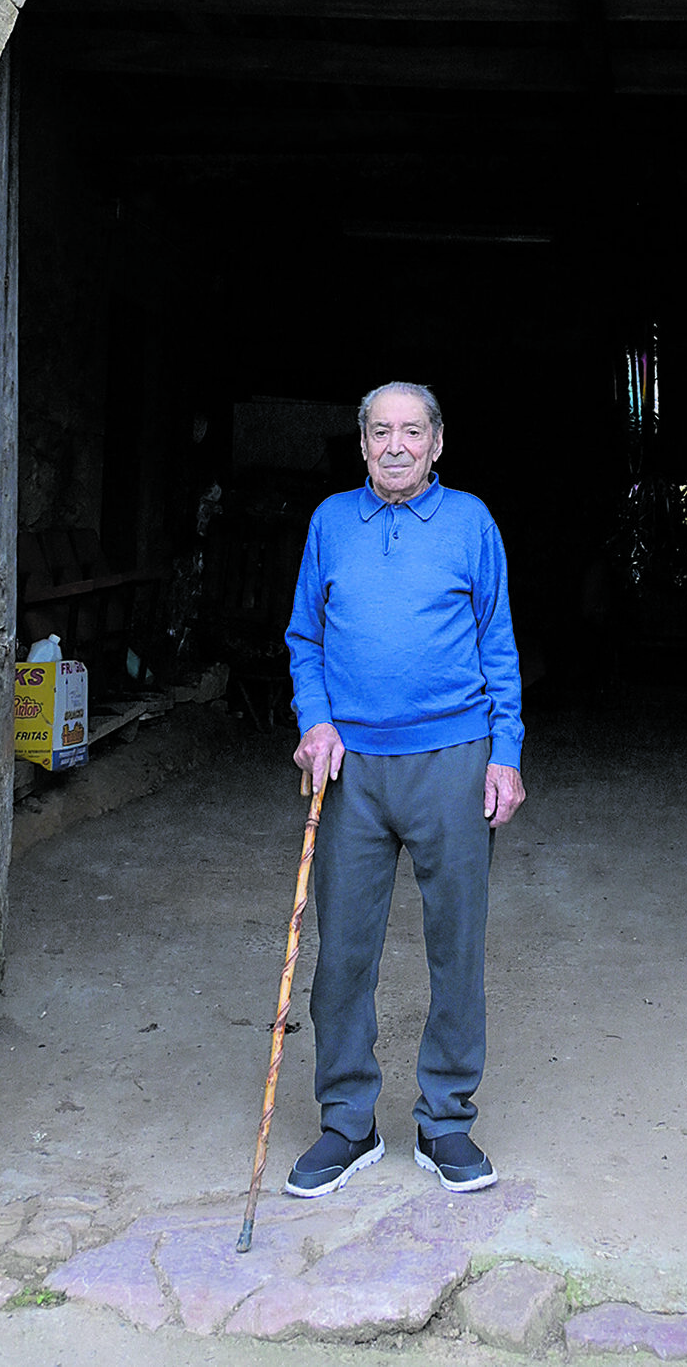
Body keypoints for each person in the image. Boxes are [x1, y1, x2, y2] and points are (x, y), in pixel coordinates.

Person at [283, 381, 525, 1197]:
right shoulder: (329, 522)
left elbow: (498, 641)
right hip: (349, 765)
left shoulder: (471, 522)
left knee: (456, 945)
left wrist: (507, 752)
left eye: (411, 432)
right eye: (380, 431)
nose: (395, 445)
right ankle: (348, 1123)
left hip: (454, 757)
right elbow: (304, 636)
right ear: (361, 445)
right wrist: (315, 720)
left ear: (437, 443)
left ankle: (446, 1120)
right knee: (344, 950)